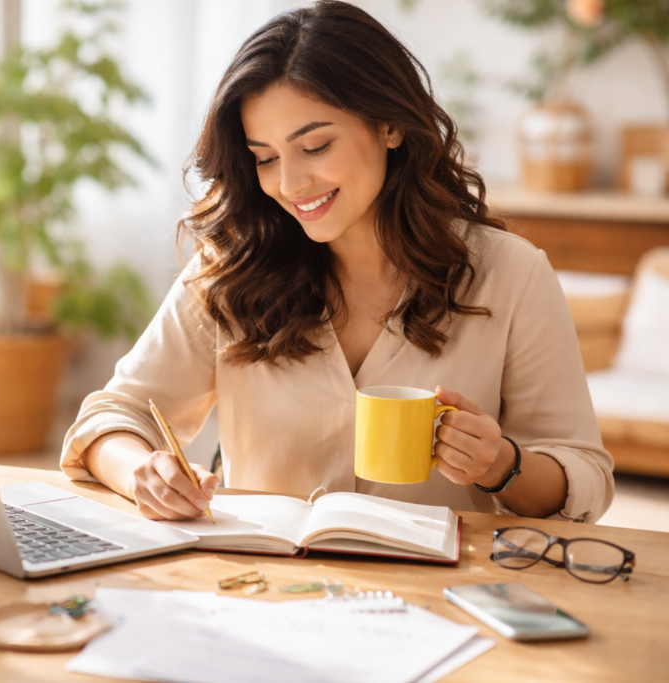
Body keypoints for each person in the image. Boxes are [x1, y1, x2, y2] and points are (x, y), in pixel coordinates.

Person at [59, 1, 613, 524]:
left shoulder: (511, 274)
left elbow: (583, 476)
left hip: (437, 584)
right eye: (265, 158)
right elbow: (113, 416)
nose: (290, 183)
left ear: (390, 125)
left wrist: (502, 465)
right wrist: (141, 472)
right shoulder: (234, 267)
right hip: (265, 580)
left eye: (315, 147)